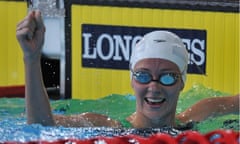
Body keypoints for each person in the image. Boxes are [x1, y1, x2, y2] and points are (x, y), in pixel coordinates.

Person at [16, 10, 239, 129]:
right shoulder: (108, 126)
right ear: (132, 80)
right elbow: (41, 125)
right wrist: (32, 58)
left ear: (182, 81)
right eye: (143, 75)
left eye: (168, 78)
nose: (154, 87)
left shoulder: (198, 116)